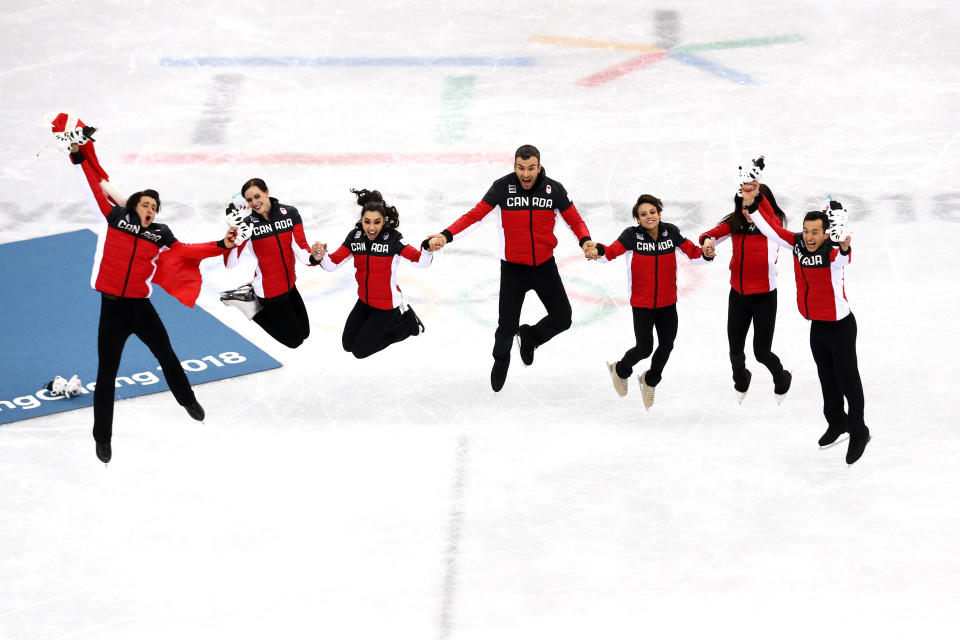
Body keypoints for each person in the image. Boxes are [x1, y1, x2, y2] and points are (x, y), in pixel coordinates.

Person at [54, 117, 236, 464]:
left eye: (155, 207)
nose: (151, 209)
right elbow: (93, 187)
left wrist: (221, 244)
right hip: (112, 310)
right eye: (146, 204)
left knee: (167, 356)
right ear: (133, 205)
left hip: (141, 308)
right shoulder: (113, 217)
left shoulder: (160, 234)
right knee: (106, 375)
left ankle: (188, 401)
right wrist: (77, 156)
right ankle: (102, 439)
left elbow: (187, 252)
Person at [425, 144, 596, 391]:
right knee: (505, 328)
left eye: (531, 168)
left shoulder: (553, 191)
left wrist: (585, 240)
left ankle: (531, 337)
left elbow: (574, 219)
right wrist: (445, 235)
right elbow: (475, 216)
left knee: (563, 318)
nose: (525, 174)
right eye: (520, 168)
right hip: (513, 270)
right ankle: (501, 359)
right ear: (514, 166)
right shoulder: (503, 187)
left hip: (544, 267)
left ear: (539, 167)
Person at [745, 177, 870, 465]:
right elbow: (771, 229)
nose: (810, 236)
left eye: (815, 232)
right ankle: (837, 422)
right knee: (827, 378)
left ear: (827, 234)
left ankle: (859, 429)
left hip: (841, 327)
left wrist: (844, 246)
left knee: (848, 379)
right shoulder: (798, 245)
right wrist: (753, 202)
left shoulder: (833, 252)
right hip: (817, 327)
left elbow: (843, 257)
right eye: (806, 231)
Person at [598, 194, 714, 408]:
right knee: (644, 348)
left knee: (667, 345)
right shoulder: (631, 236)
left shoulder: (672, 233)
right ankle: (620, 370)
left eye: (652, 212)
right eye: (643, 214)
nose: (649, 216)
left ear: (660, 213)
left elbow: (693, 253)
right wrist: (597, 250)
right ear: (637, 219)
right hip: (642, 305)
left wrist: (706, 254)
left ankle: (650, 381)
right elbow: (611, 252)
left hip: (668, 303)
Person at [700, 160, 792, 403]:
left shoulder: (773, 228)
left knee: (762, 352)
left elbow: (768, 218)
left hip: (764, 297)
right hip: (738, 296)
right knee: (735, 352)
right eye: (742, 207)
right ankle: (741, 378)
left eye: (751, 207)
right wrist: (707, 241)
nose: (747, 212)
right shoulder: (735, 225)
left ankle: (781, 376)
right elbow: (710, 233)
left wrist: (755, 199)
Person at [313, 189, 431, 358]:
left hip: (387, 306)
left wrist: (427, 249)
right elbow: (332, 264)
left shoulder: (393, 240)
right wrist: (321, 256)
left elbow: (421, 262)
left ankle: (407, 326)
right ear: (361, 220)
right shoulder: (355, 237)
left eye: (377, 222)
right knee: (348, 345)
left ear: (384, 222)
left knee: (360, 351)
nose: (372, 227)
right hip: (365, 302)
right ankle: (390, 324)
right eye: (367, 221)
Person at [219, 178, 321, 348]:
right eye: (249, 200)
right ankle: (250, 308)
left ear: (267, 192)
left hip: (289, 285)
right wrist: (234, 238)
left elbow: (301, 249)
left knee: (305, 333)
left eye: (257, 196)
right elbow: (231, 264)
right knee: (294, 341)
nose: (254, 203)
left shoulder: (290, 213)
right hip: (269, 292)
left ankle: (251, 297)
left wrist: (315, 257)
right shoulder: (248, 226)